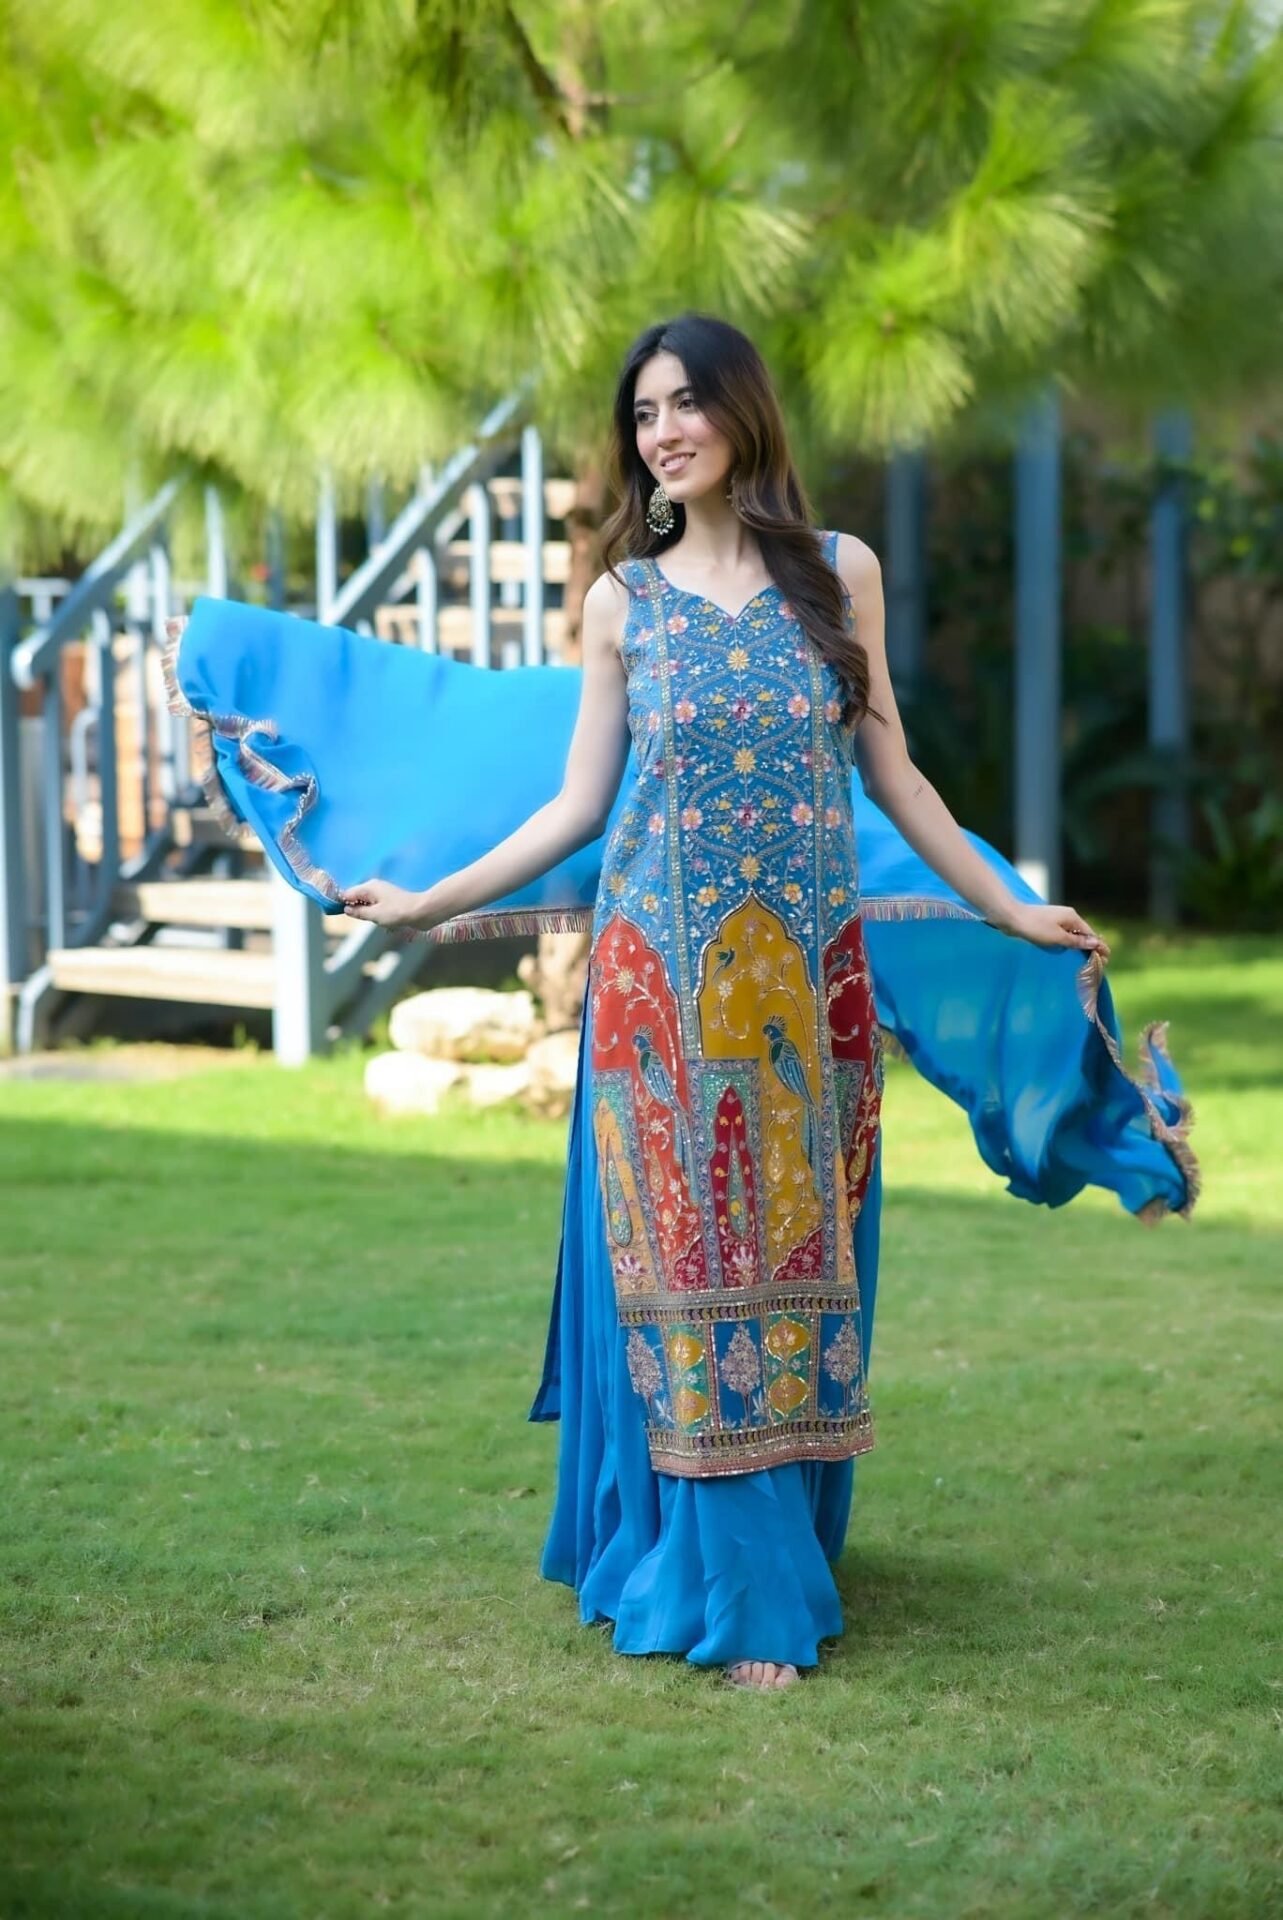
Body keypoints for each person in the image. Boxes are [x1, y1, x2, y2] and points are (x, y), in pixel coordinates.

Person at [333, 313, 1125, 1692]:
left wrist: (1008, 905)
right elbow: (576, 808)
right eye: (643, 414)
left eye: (686, 404)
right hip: (662, 996)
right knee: (695, 1274)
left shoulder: (839, 574)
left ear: (744, 412)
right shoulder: (622, 603)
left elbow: (896, 777)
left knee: (800, 1267)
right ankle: (736, 1588)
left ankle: (778, 1545)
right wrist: (429, 904)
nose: (663, 434)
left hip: (811, 996)